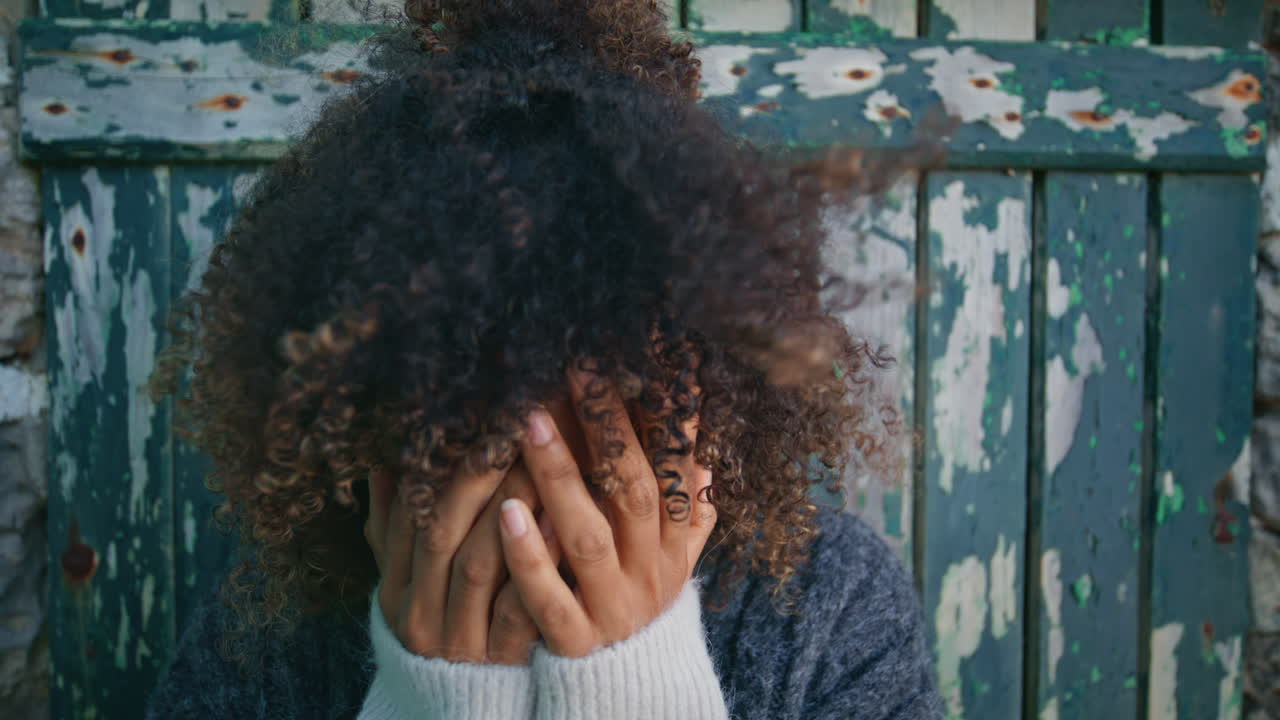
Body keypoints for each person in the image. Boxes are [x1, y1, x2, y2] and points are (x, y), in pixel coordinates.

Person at [143, 0, 944, 717]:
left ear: (690, 385)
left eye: (599, 430)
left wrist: (641, 693)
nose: (538, 509)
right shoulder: (274, 627)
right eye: (479, 436)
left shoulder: (830, 604)